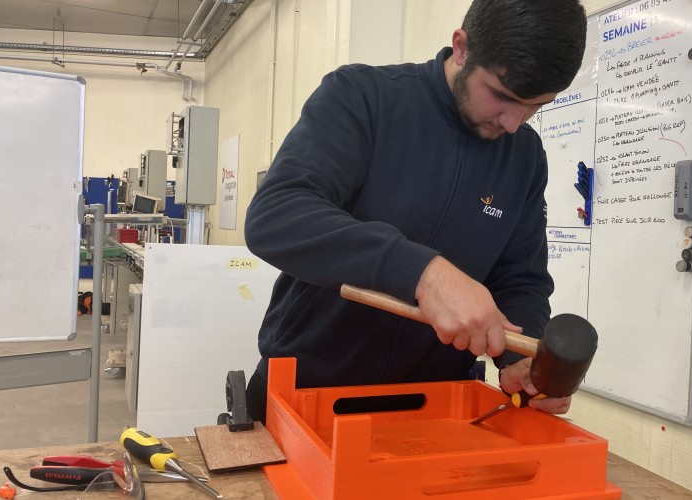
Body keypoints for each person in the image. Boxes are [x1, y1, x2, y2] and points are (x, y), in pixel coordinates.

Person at [244, 0, 587, 422]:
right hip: (304, 397)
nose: (514, 123)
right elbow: (276, 214)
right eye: (501, 96)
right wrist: (423, 273)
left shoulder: (525, 156)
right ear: (461, 48)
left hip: (435, 411)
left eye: (536, 106)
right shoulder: (362, 98)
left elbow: (521, 278)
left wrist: (519, 358)